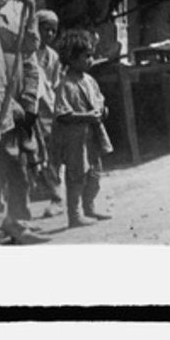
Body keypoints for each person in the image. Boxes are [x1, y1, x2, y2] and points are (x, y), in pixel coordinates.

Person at [0, 0, 49, 244]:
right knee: (0, 158)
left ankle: (19, 219)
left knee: (21, 159)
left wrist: (29, 100)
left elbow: (29, 55)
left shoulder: (23, 3)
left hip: (18, 87)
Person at [54, 29, 113, 228]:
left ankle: (90, 207)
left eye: (91, 55)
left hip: (92, 135)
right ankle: (75, 215)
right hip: (75, 139)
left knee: (95, 173)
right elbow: (62, 114)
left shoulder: (90, 81)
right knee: (76, 175)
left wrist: (102, 110)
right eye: (86, 56)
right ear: (71, 58)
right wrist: (86, 116)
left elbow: (99, 100)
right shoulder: (65, 85)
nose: (90, 60)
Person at [32, 9, 63, 214]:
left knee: (51, 152)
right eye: (46, 29)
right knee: (33, 152)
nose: (50, 34)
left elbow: (56, 83)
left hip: (48, 109)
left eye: (53, 30)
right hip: (31, 108)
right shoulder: (27, 52)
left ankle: (57, 197)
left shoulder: (53, 56)